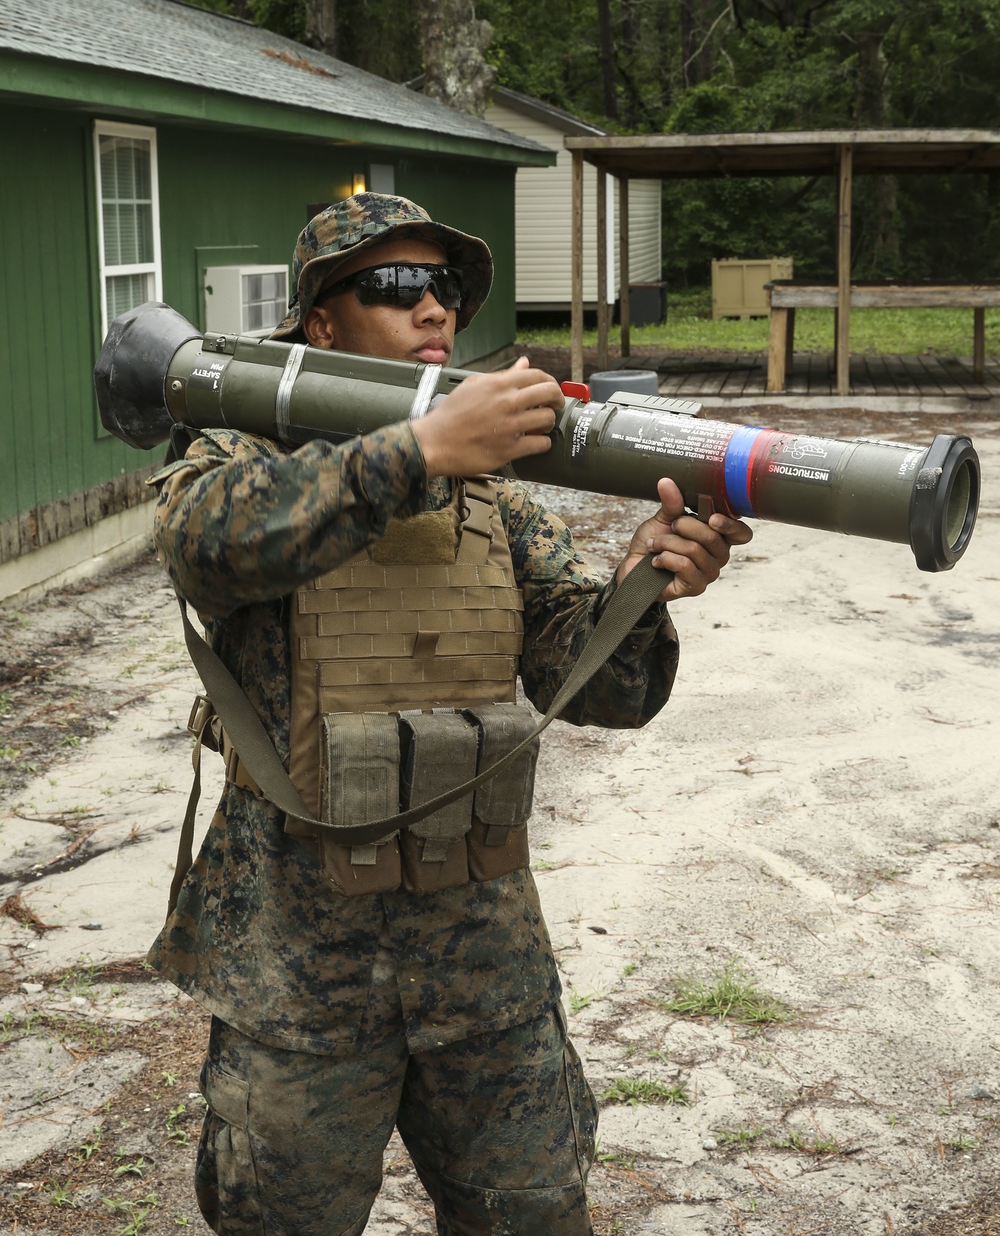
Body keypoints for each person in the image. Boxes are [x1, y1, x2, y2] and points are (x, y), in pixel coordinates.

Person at [149, 192, 752, 1236]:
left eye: (444, 287)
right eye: (393, 284)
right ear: (321, 323)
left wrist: (643, 588)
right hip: (299, 974)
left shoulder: (501, 499)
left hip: (484, 962)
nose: (431, 304)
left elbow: (600, 684)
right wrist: (416, 449)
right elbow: (214, 544)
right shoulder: (238, 464)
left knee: (531, 1216)